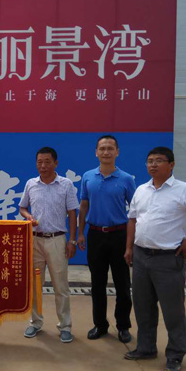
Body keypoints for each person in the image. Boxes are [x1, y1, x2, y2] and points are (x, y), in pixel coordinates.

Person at [124, 147, 186, 371]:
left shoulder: (185, 190)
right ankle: (146, 348)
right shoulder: (141, 190)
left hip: (168, 260)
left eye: (159, 161)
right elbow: (133, 219)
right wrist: (128, 248)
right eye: (150, 161)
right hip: (141, 257)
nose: (153, 165)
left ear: (171, 164)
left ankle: (175, 354)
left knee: (172, 311)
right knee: (143, 307)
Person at [78, 135, 136, 343]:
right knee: (97, 284)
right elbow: (84, 205)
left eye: (110, 148)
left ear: (117, 152)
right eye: (102, 148)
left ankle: (123, 326)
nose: (106, 152)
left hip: (119, 235)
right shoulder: (88, 177)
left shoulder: (126, 179)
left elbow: (135, 212)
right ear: (96, 152)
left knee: (122, 284)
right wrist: (80, 233)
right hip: (95, 235)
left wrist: (130, 243)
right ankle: (100, 325)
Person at [20, 147, 79, 343]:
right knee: (35, 285)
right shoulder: (31, 184)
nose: (43, 166)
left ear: (56, 163)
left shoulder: (66, 184)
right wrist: (28, 216)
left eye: (47, 162)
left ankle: (65, 326)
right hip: (35, 240)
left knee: (60, 286)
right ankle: (35, 322)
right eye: (39, 162)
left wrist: (72, 240)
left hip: (57, 240)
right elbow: (22, 207)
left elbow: (73, 213)